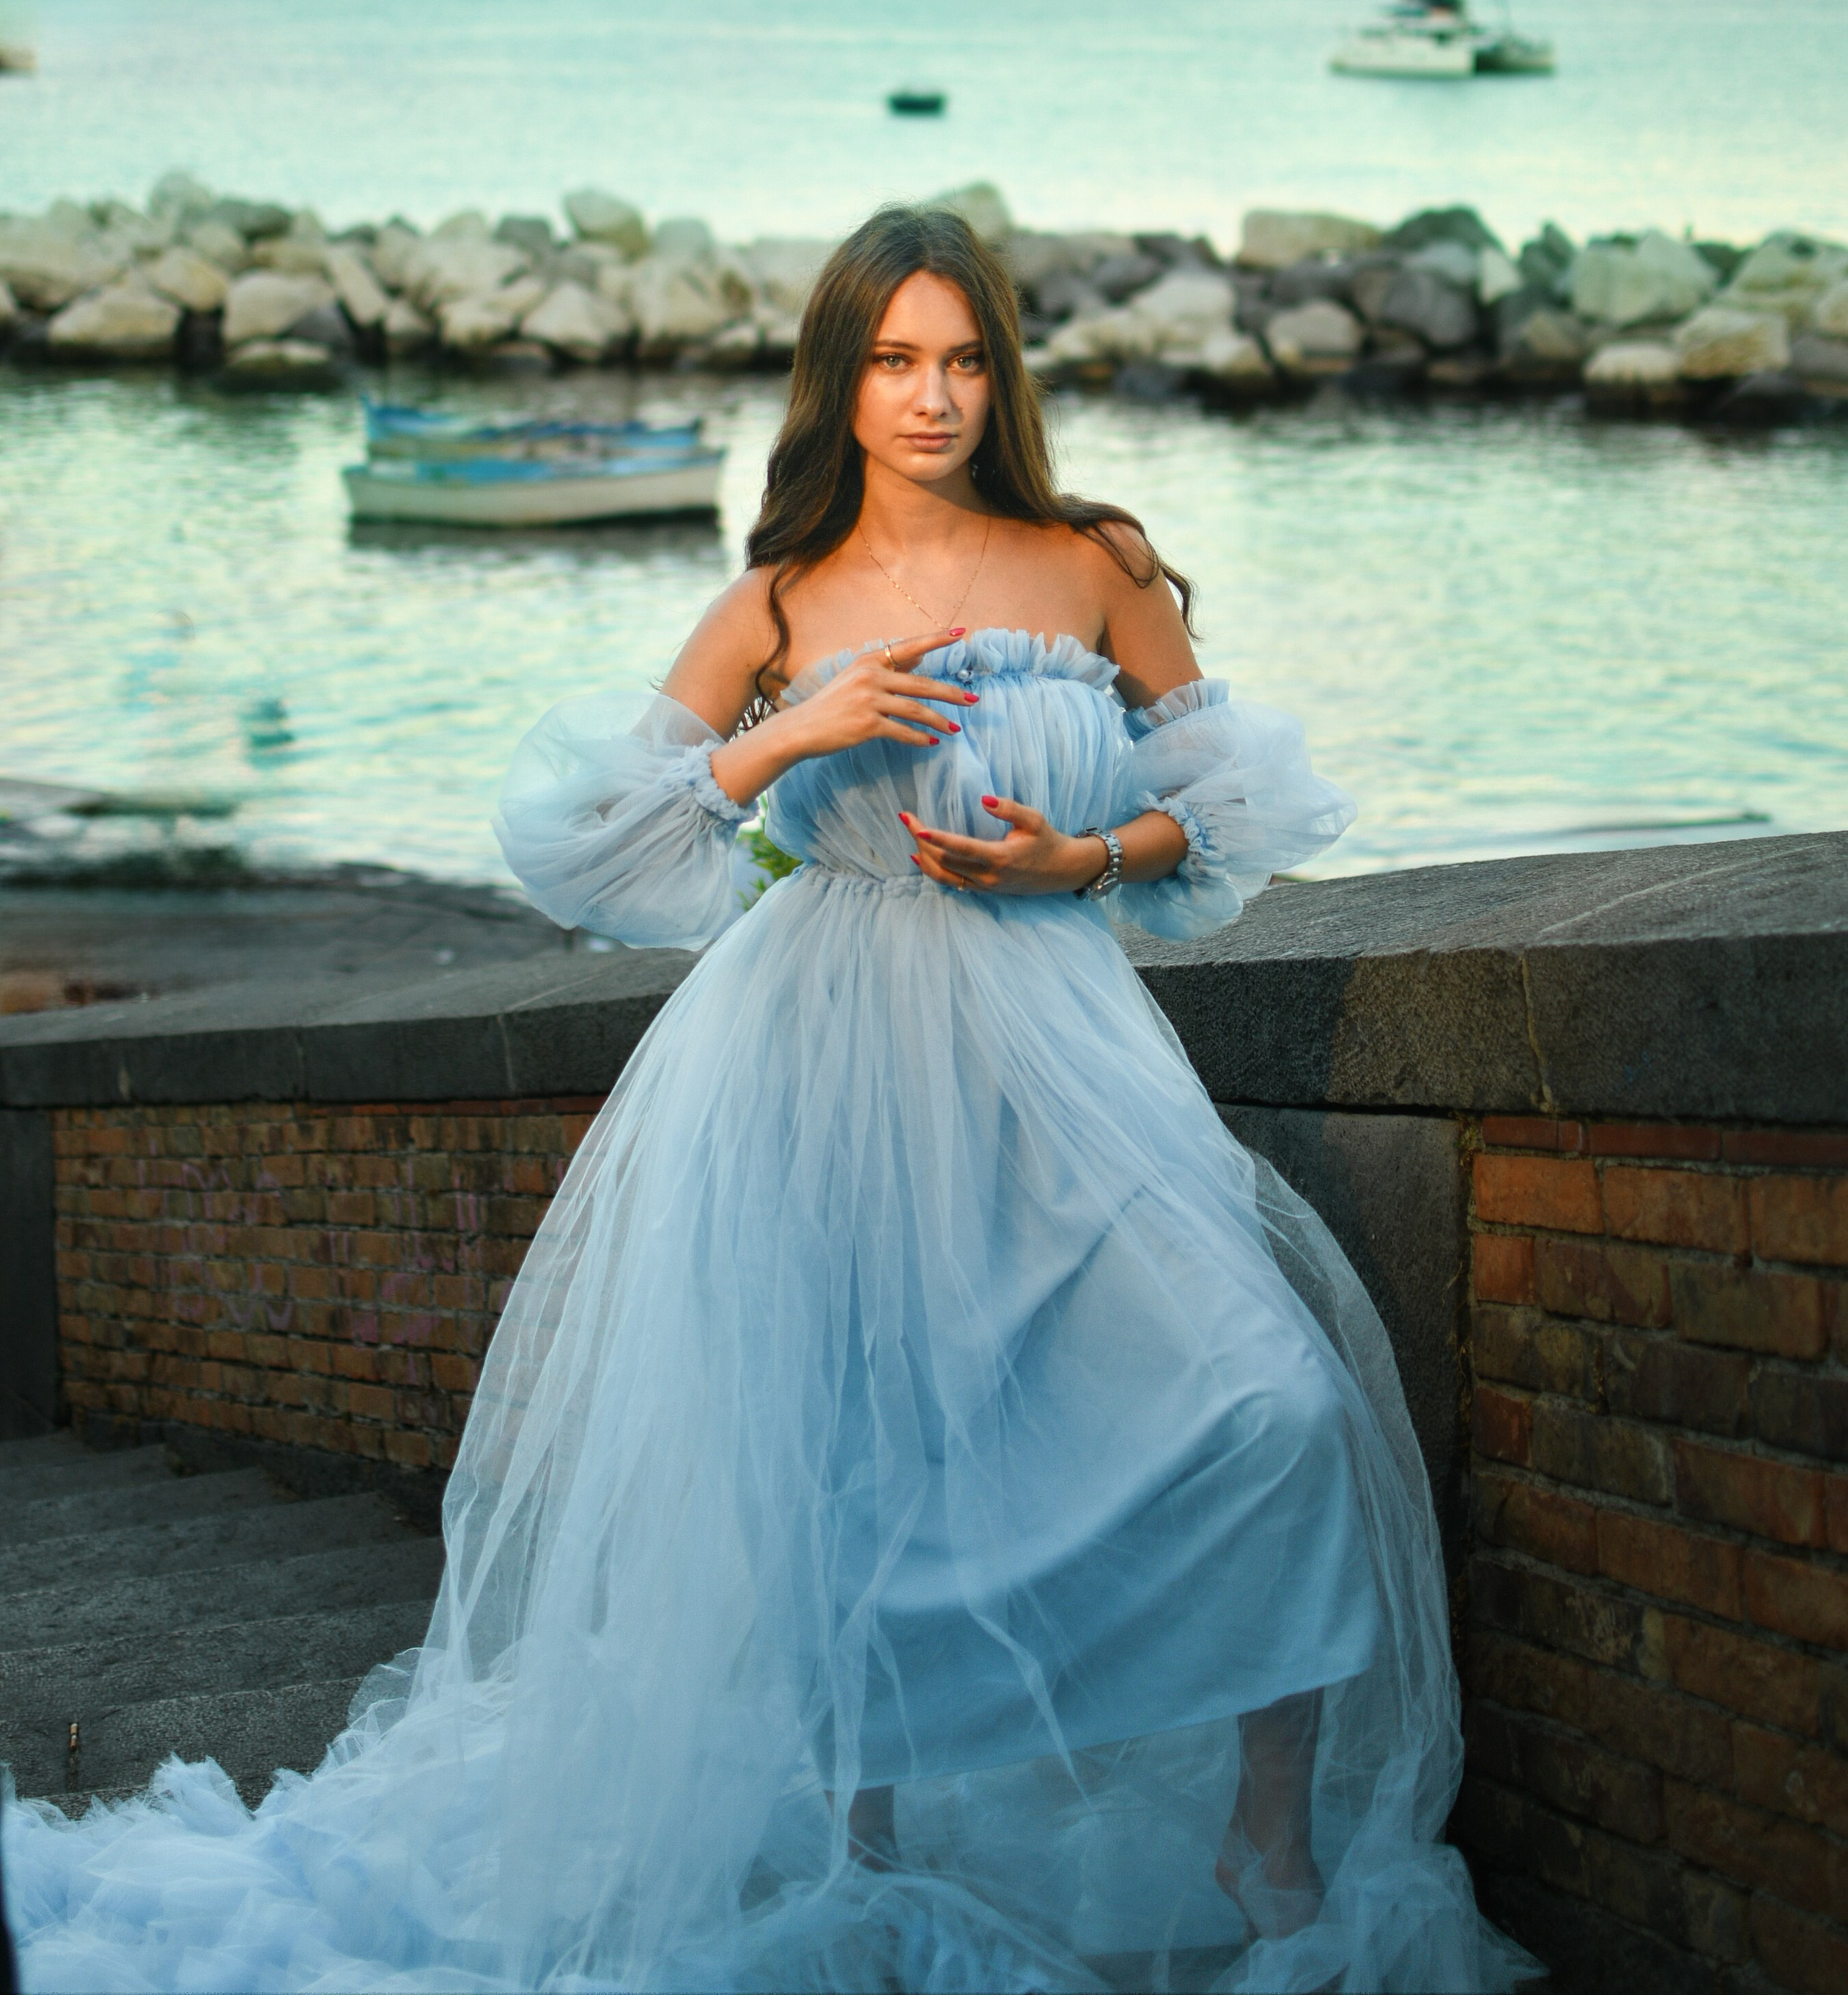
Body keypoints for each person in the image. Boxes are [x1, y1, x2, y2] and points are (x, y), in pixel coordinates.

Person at [7, 206, 1530, 1993]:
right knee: (841, 1452)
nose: (933, 393)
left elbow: (1247, 806)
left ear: (1000, 372)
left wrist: (1081, 851)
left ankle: (1260, 1828)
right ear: (840, 376)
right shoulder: (778, 600)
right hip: (816, 1046)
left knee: (1260, 1400)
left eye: (963, 356)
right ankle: (852, 1843)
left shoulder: (1090, 560)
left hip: (1061, 1043)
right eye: (894, 358)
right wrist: (783, 736)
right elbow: (584, 844)